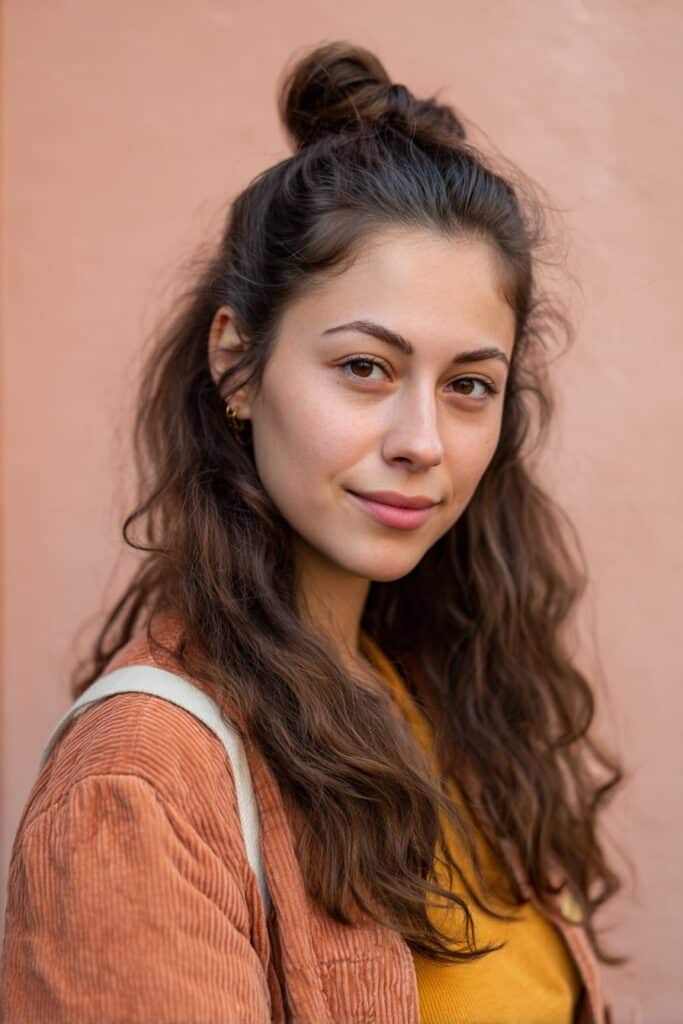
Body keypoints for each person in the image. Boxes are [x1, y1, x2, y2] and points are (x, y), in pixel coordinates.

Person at [0, 39, 625, 1024]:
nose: (422, 441)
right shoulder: (138, 792)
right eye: (365, 368)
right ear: (238, 365)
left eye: (468, 385)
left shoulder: (446, 705)